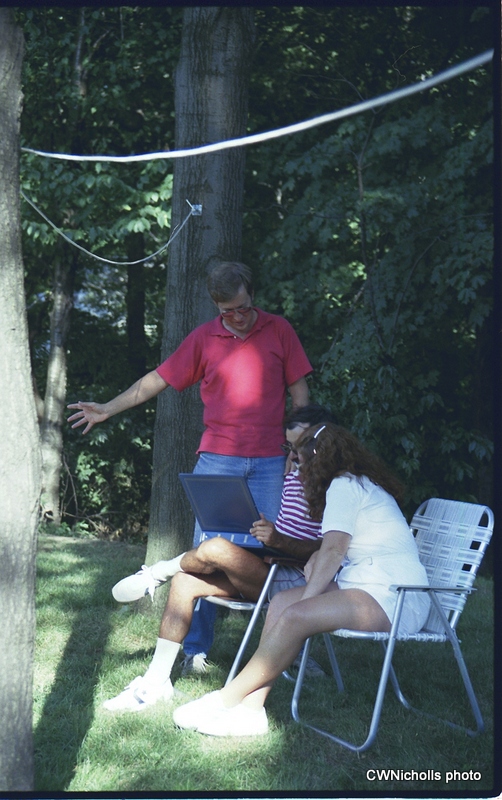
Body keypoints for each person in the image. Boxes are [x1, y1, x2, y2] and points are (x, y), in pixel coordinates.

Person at [68, 262, 312, 673]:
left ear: (252, 296)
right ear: (216, 306)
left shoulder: (279, 330)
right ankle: (195, 651)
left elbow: (300, 392)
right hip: (218, 460)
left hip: (273, 460)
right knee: (207, 553)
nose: (238, 316)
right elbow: (157, 379)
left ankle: (291, 655)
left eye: (243, 307)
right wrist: (107, 408)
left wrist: (299, 448)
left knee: (281, 550)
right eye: (228, 311)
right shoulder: (204, 338)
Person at [171, 422, 431, 737]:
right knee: (282, 602)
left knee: (296, 613)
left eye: (301, 461)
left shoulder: (344, 486)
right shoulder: (351, 483)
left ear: (319, 459)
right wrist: (314, 566)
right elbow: (331, 548)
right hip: (366, 583)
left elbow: (334, 551)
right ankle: (252, 711)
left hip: (398, 596)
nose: (297, 469)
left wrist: (308, 600)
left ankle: (225, 699)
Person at [102, 404, 336, 712]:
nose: (292, 457)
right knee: (185, 582)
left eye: (299, 448)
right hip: (269, 568)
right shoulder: (293, 477)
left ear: (324, 443)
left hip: (295, 582)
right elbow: (287, 532)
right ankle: (155, 683)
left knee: (215, 548)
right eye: (288, 448)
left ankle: (158, 573)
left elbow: (330, 549)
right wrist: (262, 535)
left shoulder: (339, 487)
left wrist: (278, 541)